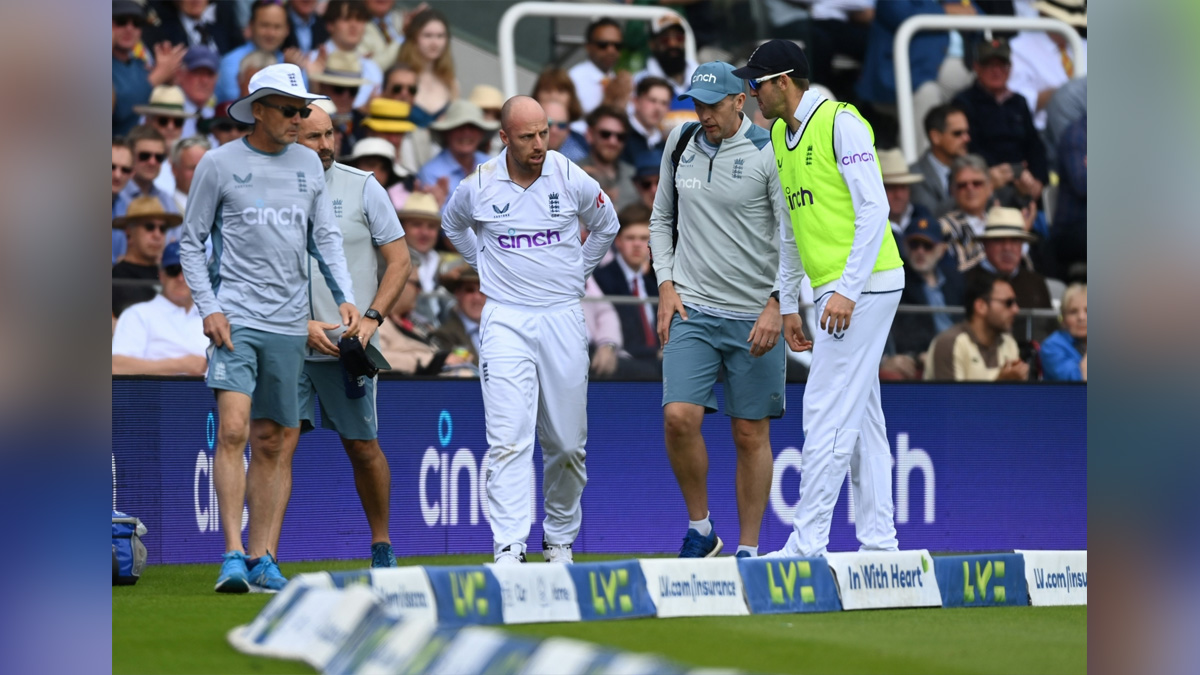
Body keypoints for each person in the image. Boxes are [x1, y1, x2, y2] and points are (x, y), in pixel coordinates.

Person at [179, 63, 360, 594]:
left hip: (288, 325)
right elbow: (191, 242)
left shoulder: (308, 163)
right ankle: (232, 554)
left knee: (275, 440)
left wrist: (347, 297)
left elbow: (325, 238)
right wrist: (208, 307)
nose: (298, 118)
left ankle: (262, 559)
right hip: (235, 319)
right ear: (257, 110)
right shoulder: (217, 164)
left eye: (302, 110)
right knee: (235, 429)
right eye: (289, 109)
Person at [736, 40, 904, 558]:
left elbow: (875, 209)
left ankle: (808, 542)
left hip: (865, 283)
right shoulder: (782, 138)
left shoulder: (840, 123)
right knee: (863, 415)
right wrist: (789, 304)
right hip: (839, 289)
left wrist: (846, 291)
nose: (751, 94)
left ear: (784, 81)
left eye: (757, 83)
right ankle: (880, 542)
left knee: (826, 407)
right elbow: (791, 229)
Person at [440, 95, 619, 564]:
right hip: (505, 319)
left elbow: (607, 224)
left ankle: (559, 538)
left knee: (565, 444)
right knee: (508, 437)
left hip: (562, 314)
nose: (539, 144)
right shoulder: (478, 183)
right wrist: (482, 264)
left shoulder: (567, 173)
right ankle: (509, 544)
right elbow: (453, 224)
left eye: (544, 133)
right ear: (503, 138)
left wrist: (576, 272)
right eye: (527, 136)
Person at [650, 61, 794, 559]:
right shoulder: (681, 141)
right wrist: (666, 284)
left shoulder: (769, 150)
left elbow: (790, 236)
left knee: (750, 433)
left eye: (714, 103)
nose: (704, 113)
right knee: (678, 417)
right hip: (692, 308)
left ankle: (749, 549)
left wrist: (778, 303)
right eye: (697, 102)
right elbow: (660, 219)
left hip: (755, 313)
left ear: (741, 101)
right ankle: (702, 529)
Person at [275, 103, 411, 568]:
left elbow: (400, 260)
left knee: (362, 445)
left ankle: (382, 545)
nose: (327, 145)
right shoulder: (267, 188)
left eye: (330, 134)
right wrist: (298, 324)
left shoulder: (363, 186)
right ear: (290, 136)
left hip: (347, 346)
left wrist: (372, 319)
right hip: (287, 340)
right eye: (314, 137)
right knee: (277, 442)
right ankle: (264, 556)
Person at [952, 38, 1047, 200]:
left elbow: (1034, 144)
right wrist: (1000, 173)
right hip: (986, 181)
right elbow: (968, 145)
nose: (996, 71)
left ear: (1010, 69)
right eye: (989, 65)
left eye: (1002, 66)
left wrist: (1038, 179)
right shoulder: (964, 102)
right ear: (977, 68)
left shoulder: (1019, 101)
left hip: (1023, 179)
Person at [112, 242, 208, 376]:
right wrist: (182, 365)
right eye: (173, 270)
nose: (181, 278)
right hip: (156, 395)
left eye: (188, 270)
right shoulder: (138, 314)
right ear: (161, 275)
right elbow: (117, 366)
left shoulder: (213, 318)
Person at [963, 206, 1053, 342]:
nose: (1007, 247)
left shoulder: (1037, 282)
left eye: (1015, 240)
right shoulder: (965, 281)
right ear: (984, 244)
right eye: (999, 240)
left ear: (1023, 245)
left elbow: (1051, 331)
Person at [593, 203, 662, 380]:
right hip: (624, 365)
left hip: (656, 363)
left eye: (644, 238)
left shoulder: (654, 283)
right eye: (631, 238)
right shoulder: (601, 279)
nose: (638, 244)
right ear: (618, 241)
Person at [924, 272, 1027, 381]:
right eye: (1009, 303)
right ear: (981, 306)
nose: (1016, 310)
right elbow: (951, 397)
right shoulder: (950, 343)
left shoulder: (1009, 343)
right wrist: (1001, 384)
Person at [892, 217, 964, 365]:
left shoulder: (955, 279)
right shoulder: (897, 281)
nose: (920, 251)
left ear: (942, 250)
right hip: (923, 357)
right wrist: (920, 355)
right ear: (905, 246)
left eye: (928, 245)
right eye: (914, 245)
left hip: (960, 352)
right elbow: (902, 332)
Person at [113, 0, 184, 136]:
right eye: (121, 21)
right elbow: (118, 110)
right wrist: (158, 76)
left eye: (137, 23)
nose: (129, 28)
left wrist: (170, 81)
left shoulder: (140, 65)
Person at [113, 126, 180, 263]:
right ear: (130, 157)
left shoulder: (166, 200)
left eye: (159, 157)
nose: (152, 162)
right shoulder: (116, 196)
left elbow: (177, 243)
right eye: (145, 156)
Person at [417, 100, 499, 205]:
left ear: (481, 133)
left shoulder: (492, 164)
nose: (466, 133)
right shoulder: (430, 173)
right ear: (446, 133)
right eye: (459, 127)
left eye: (472, 127)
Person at [215, 0, 292, 104]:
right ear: (251, 26)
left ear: (287, 30)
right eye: (265, 25)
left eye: (277, 27)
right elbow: (239, 106)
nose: (271, 33)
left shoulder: (292, 64)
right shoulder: (231, 63)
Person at [113, 196, 178, 317]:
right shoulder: (117, 276)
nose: (157, 235)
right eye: (149, 227)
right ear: (128, 232)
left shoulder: (171, 273)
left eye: (162, 228)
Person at [316, 0, 383, 110]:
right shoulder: (311, 60)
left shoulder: (373, 68)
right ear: (330, 24)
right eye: (346, 19)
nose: (354, 25)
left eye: (359, 19)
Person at [397, 8, 458, 127]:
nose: (434, 43)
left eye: (440, 36)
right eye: (427, 35)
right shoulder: (400, 77)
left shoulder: (451, 83)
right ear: (414, 38)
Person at [909, 103, 970, 215]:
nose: (966, 138)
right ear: (935, 137)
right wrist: (973, 193)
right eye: (958, 133)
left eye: (967, 132)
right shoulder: (915, 174)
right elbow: (930, 214)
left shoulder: (971, 168)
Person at [878, 148, 933, 258]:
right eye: (891, 188)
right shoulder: (871, 225)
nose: (898, 195)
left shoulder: (922, 214)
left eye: (903, 187)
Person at [579, 105, 637, 209]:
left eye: (620, 137)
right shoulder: (572, 174)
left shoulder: (634, 177)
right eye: (605, 134)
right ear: (590, 135)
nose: (613, 141)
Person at [568, 18, 624, 119]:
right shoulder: (573, 79)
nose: (611, 50)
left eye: (617, 45)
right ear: (588, 46)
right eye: (603, 45)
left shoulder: (619, 81)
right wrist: (608, 100)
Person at [1040, 283, 1086, 382]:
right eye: (1073, 312)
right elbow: (1076, 382)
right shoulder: (1051, 346)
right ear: (1063, 318)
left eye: (1088, 310)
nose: (1081, 317)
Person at [622, 77, 671, 165]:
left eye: (664, 103)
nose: (658, 108)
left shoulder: (667, 145)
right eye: (652, 100)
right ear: (636, 101)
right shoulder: (618, 136)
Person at [178, 47, 220, 138]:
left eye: (210, 74)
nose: (204, 81)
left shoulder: (216, 119)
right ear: (180, 74)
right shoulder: (166, 116)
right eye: (197, 73)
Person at [169, 136, 211, 213]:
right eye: (193, 168)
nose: (200, 174)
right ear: (174, 169)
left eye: (205, 168)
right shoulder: (162, 209)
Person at [543, 100, 589, 165]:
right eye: (549, 123)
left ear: (568, 129)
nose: (554, 130)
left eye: (562, 125)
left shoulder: (578, 160)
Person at [112, 138, 135, 216]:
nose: (117, 175)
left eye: (125, 170)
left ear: (132, 173)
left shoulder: (129, 210)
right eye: (112, 167)